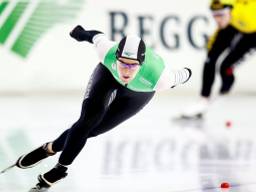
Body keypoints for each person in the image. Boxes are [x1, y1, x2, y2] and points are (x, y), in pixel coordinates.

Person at [1, 25, 191, 192]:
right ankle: (59, 170)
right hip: (107, 76)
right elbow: (95, 36)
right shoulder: (107, 52)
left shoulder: (160, 78)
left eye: (132, 66)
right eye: (123, 62)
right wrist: (80, 33)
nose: (126, 69)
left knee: (93, 131)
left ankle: (50, 148)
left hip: (139, 92)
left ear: (141, 65)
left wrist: (189, 73)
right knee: (86, 122)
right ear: (116, 56)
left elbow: (184, 75)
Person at [180, 0, 256, 119]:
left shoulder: (249, 13)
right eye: (214, 15)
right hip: (234, 22)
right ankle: (203, 100)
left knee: (225, 66)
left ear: (230, 10)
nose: (217, 20)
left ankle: (224, 91)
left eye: (220, 15)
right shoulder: (228, 15)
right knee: (210, 57)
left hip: (253, 31)